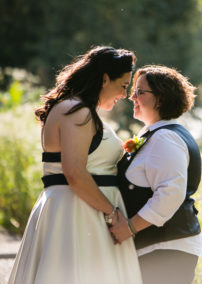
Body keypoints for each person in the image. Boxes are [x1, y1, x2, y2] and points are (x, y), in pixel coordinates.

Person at [8, 46, 142, 284]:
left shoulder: (78, 110)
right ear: (104, 78)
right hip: (77, 212)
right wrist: (112, 214)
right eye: (123, 86)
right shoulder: (76, 111)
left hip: (81, 208)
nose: (124, 94)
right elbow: (74, 172)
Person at [111, 65, 202, 284]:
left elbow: (171, 193)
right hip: (158, 248)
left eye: (140, 92)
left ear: (160, 98)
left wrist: (130, 228)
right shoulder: (158, 134)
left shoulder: (165, 138)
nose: (132, 97)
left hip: (166, 248)